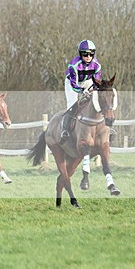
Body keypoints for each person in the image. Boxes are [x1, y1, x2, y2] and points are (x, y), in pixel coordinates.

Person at [61, 39, 103, 186]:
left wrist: (92, 90)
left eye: (91, 54)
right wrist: (82, 91)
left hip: (87, 82)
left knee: (96, 101)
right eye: (85, 54)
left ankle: (101, 126)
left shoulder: (97, 66)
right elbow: (74, 84)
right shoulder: (74, 64)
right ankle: (65, 130)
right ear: (80, 54)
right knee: (72, 106)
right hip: (73, 84)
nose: (88, 57)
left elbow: (97, 83)